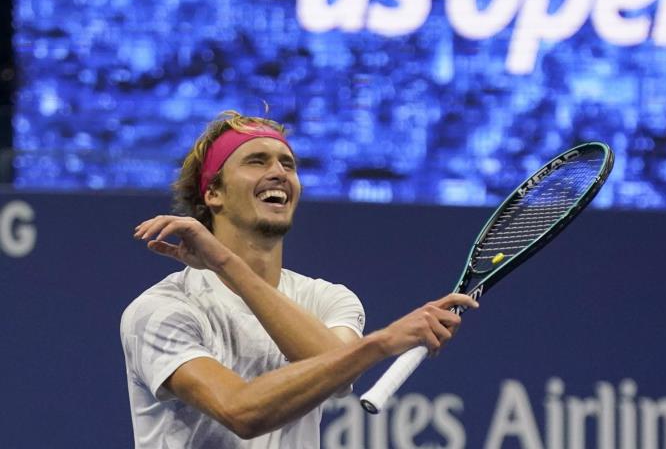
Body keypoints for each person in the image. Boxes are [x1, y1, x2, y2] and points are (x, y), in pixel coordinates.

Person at [120, 111, 477, 448]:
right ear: (213, 193)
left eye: (287, 164)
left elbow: (337, 369)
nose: (279, 172)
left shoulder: (328, 299)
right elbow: (240, 411)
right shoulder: (160, 310)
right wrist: (385, 340)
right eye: (257, 161)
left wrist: (225, 264)